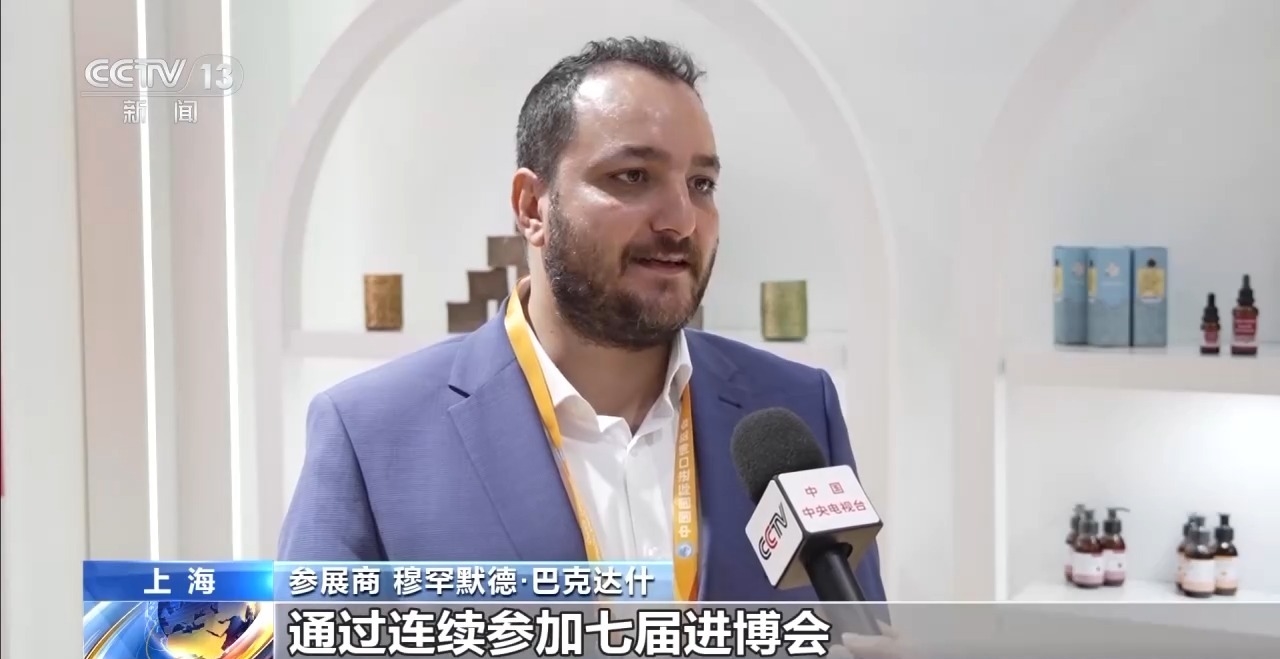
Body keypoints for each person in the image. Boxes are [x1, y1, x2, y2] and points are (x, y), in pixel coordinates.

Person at [279, 36, 887, 606]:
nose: (681, 220)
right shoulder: (371, 436)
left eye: (701, 183)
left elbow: (860, 628)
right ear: (531, 207)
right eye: (633, 177)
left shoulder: (795, 410)